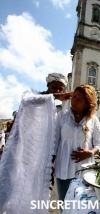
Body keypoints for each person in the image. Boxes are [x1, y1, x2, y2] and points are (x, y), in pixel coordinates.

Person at [0, 73, 71, 214]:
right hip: (20, 153)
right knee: (13, 183)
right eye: (54, 87)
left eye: (60, 89)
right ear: (48, 85)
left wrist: (52, 160)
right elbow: (27, 102)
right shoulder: (31, 95)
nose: (57, 91)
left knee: (34, 188)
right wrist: (54, 97)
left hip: (39, 159)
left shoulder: (55, 113)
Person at [53, 84, 100, 202]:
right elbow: (54, 143)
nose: (74, 101)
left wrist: (90, 152)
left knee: (82, 206)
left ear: (87, 103)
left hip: (84, 170)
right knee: (65, 205)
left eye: (79, 100)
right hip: (64, 169)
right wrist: (50, 165)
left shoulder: (93, 120)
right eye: (74, 97)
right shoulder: (62, 116)